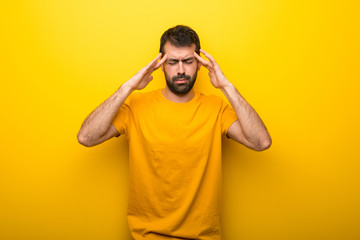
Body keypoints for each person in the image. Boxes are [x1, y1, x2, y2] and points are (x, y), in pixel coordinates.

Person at [77, 25, 271, 240]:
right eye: (172, 62)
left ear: (199, 64)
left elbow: (261, 142)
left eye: (188, 61)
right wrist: (128, 87)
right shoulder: (136, 107)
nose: (180, 70)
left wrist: (226, 86)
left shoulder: (216, 108)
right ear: (161, 65)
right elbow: (87, 137)